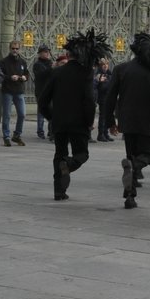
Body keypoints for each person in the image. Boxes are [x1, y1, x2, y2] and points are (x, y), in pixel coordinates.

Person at [105, 32, 150, 208]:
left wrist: (109, 121)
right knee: (145, 156)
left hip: (126, 119)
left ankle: (130, 196)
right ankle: (134, 170)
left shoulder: (121, 68)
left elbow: (110, 98)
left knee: (131, 154)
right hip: (146, 118)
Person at [37, 30, 102, 201]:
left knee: (59, 153)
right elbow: (89, 100)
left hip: (59, 121)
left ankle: (59, 191)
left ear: (68, 54)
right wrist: (89, 121)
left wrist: (52, 117)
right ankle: (70, 165)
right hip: (79, 122)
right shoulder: (86, 73)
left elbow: (43, 100)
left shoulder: (57, 72)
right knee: (82, 153)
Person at [0, 40, 30, 146]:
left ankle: (17, 135)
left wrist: (24, 77)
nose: (15, 50)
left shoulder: (22, 62)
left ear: (19, 49)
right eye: (13, 48)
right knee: (7, 114)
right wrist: (10, 77)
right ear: (10, 48)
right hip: (7, 91)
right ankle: (6, 136)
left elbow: (27, 73)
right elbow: (0, 75)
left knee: (22, 114)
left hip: (19, 90)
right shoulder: (3, 62)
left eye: (17, 49)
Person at [30, 45, 55, 140]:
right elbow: (41, 75)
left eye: (48, 51)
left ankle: (51, 131)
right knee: (42, 112)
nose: (48, 53)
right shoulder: (37, 64)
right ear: (40, 53)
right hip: (41, 91)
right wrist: (51, 68)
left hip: (51, 91)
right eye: (45, 52)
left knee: (52, 111)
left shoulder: (50, 63)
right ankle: (40, 131)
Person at [93, 55, 115, 141]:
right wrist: (100, 81)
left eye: (106, 64)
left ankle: (106, 133)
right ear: (100, 66)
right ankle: (101, 134)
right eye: (103, 65)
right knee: (103, 117)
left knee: (107, 116)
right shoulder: (98, 74)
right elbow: (97, 86)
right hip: (102, 98)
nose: (105, 66)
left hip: (108, 98)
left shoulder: (109, 73)